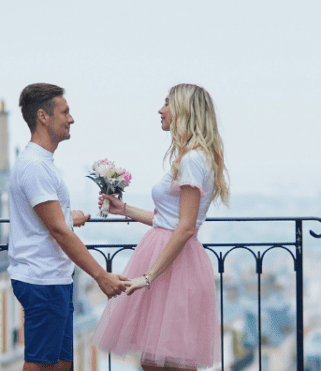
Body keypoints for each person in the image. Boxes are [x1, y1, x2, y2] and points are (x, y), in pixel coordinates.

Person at [93, 83, 230, 370]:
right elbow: (168, 219)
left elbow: (185, 228)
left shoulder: (192, 159)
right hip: (169, 258)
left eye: (167, 103)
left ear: (184, 111)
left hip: (173, 264)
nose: (160, 109)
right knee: (157, 361)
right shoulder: (191, 157)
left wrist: (149, 276)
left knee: (170, 362)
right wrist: (125, 209)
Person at [9, 83, 131, 371]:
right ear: (43, 116)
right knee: (40, 365)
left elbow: (52, 220)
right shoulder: (35, 167)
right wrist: (101, 276)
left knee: (62, 363)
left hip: (55, 280)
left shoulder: (43, 163)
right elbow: (59, 231)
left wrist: (66, 217)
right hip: (42, 280)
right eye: (65, 112)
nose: (71, 118)